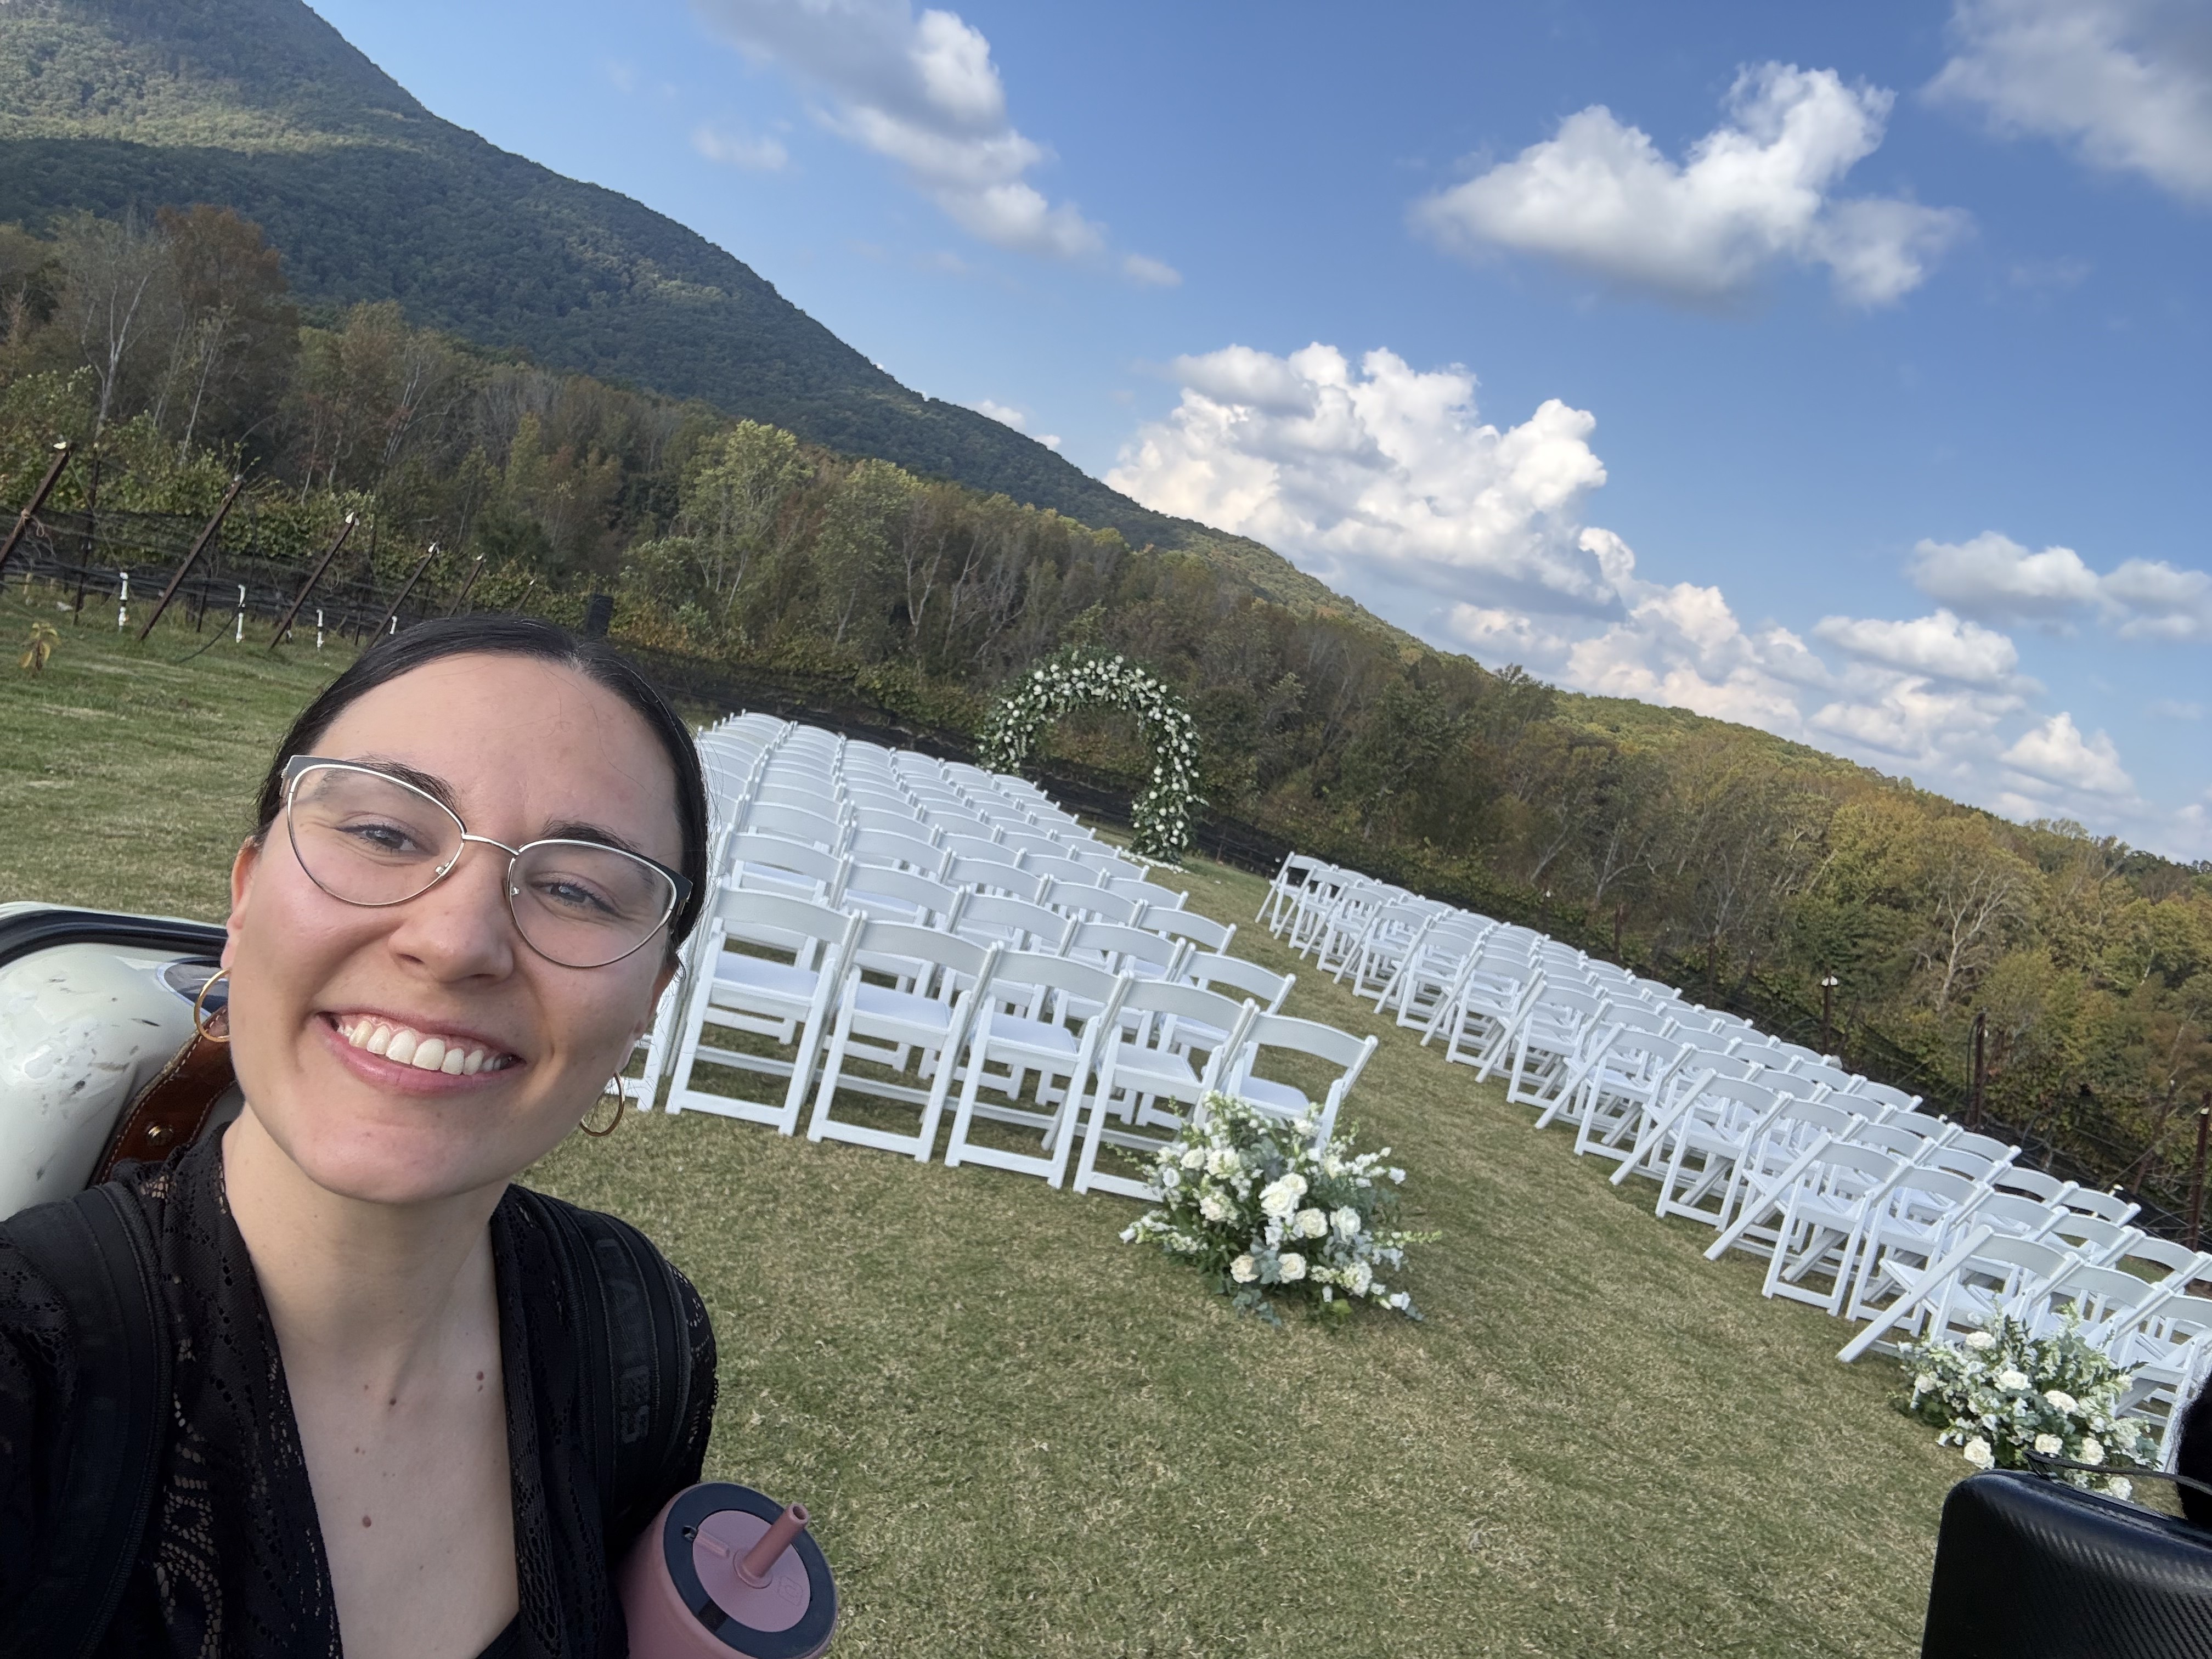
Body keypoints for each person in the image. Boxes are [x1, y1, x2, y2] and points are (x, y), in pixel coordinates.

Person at [0, 618, 719, 1658]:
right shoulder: (31, 1376)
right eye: (385, 833)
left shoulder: (638, 1335)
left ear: (648, 1001)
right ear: (246, 899)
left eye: (574, 890)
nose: (455, 941)